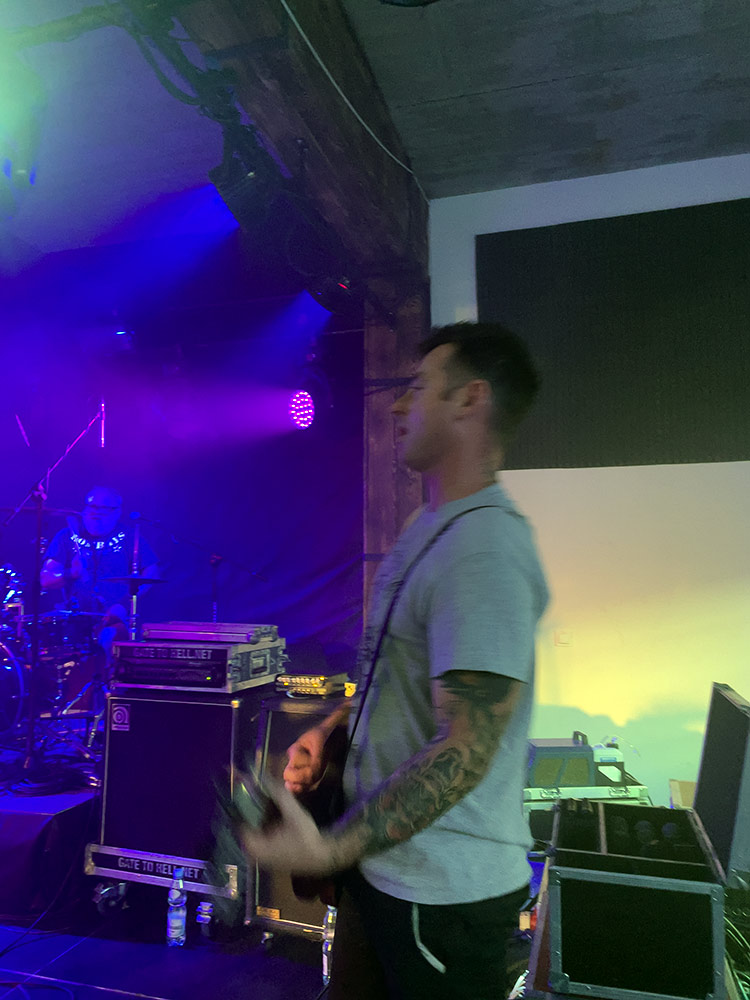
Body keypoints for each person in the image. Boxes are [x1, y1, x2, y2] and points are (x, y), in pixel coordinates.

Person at [242, 322, 549, 999]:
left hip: (440, 897)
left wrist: (328, 849)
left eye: (418, 387)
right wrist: (332, 733)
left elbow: (466, 747)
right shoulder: (425, 527)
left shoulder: (485, 552)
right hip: (384, 870)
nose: (397, 405)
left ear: (470, 399)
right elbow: (392, 679)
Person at [40, 486, 158, 644]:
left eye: (105, 508)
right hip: (75, 620)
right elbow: (46, 579)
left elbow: (151, 572)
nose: (97, 512)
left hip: (116, 619)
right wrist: (72, 572)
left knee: (109, 637)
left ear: (117, 512)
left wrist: (125, 605)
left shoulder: (129, 536)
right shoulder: (66, 535)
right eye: (93, 506)